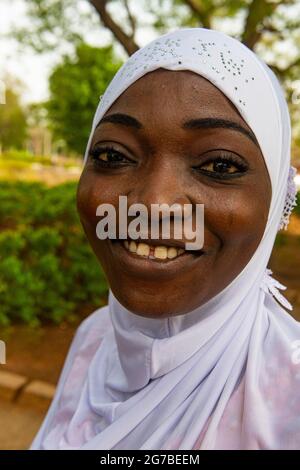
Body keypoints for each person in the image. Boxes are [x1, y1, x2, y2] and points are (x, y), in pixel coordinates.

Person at [30, 27, 300, 450]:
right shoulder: (95, 339)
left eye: (220, 166)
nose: (153, 205)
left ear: (273, 203)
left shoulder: (289, 396)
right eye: (113, 156)